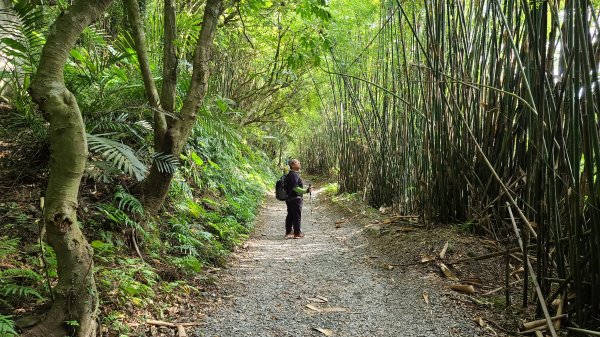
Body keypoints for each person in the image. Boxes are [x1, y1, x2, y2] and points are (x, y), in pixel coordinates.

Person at [284, 159, 312, 239]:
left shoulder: (290, 174)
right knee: (296, 216)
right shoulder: (293, 175)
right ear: (292, 165)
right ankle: (297, 233)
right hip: (295, 199)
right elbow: (295, 188)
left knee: (290, 215)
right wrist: (306, 191)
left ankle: (288, 232)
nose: (299, 164)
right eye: (297, 163)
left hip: (290, 198)